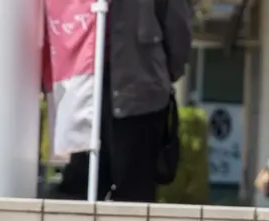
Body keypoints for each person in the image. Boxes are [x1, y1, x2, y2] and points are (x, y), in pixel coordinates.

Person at [56, 0, 192, 202]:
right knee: (79, 188)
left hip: (140, 92)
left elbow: (178, 34)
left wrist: (158, 75)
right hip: (86, 89)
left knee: (134, 194)